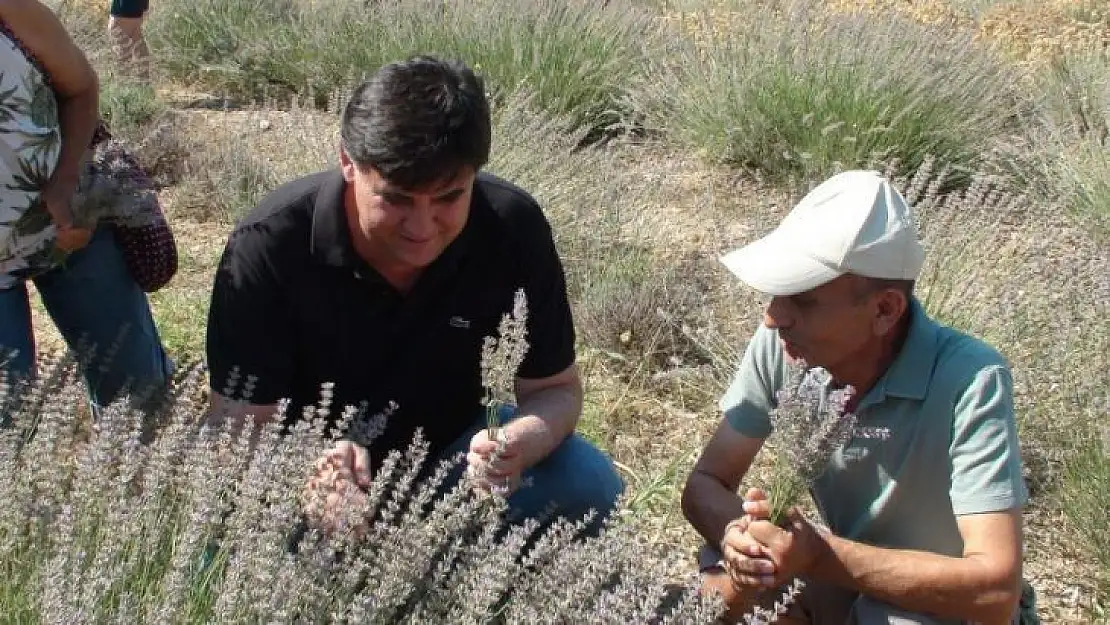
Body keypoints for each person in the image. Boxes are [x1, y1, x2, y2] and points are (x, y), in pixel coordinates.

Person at [203, 55, 624, 535]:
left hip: (450, 453)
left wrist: (512, 443)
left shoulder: (511, 227)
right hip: (312, 470)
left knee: (587, 484)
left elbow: (557, 391)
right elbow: (234, 432)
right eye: (396, 199)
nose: (422, 228)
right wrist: (303, 473)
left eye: (448, 198)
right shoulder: (271, 244)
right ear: (347, 162)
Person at [681, 171, 1029, 624]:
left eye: (802, 300)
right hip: (849, 584)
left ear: (885, 309)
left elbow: (995, 591)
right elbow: (707, 482)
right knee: (723, 583)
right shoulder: (786, 346)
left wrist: (817, 554)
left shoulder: (971, 379)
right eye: (776, 294)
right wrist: (743, 541)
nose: (773, 318)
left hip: (940, 608)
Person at [0, 0, 171, 414]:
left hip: (72, 232)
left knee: (138, 400)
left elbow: (79, 88)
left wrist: (66, 181)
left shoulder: (11, 11)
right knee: (9, 427)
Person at [107, 0, 149, 78]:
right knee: (131, 55)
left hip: (127, 14)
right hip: (130, 14)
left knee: (126, 56)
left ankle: (130, 86)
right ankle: (138, 86)